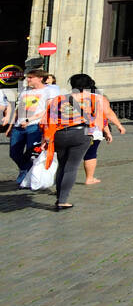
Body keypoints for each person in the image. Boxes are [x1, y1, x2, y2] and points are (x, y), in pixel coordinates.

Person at [33, 80, 98, 210]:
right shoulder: (92, 99)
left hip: (60, 134)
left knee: (62, 165)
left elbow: (48, 119)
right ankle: (62, 200)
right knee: (72, 167)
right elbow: (94, 118)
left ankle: (60, 193)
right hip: (80, 134)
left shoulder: (59, 99)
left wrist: (45, 138)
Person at [71, 74, 126, 184]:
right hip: (91, 130)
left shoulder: (66, 97)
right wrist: (117, 126)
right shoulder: (97, 97)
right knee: (90, 153)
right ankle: (89, 178)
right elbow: (106, 114)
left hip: (69, 129)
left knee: (69, 157)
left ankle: (64, 180)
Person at [5, 68, 51, 183]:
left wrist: (29, 119)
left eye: (30, 77)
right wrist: (11, 126)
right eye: (27, 77)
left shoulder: (48, 92)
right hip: (18, 126)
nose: (27, 79)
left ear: (40, 78)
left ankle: (27, 174)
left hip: (35, 126)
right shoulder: (24, 91)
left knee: (32, 152)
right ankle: (24, 168)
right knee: (14, 153)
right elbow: (17, 109)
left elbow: (47, 111)